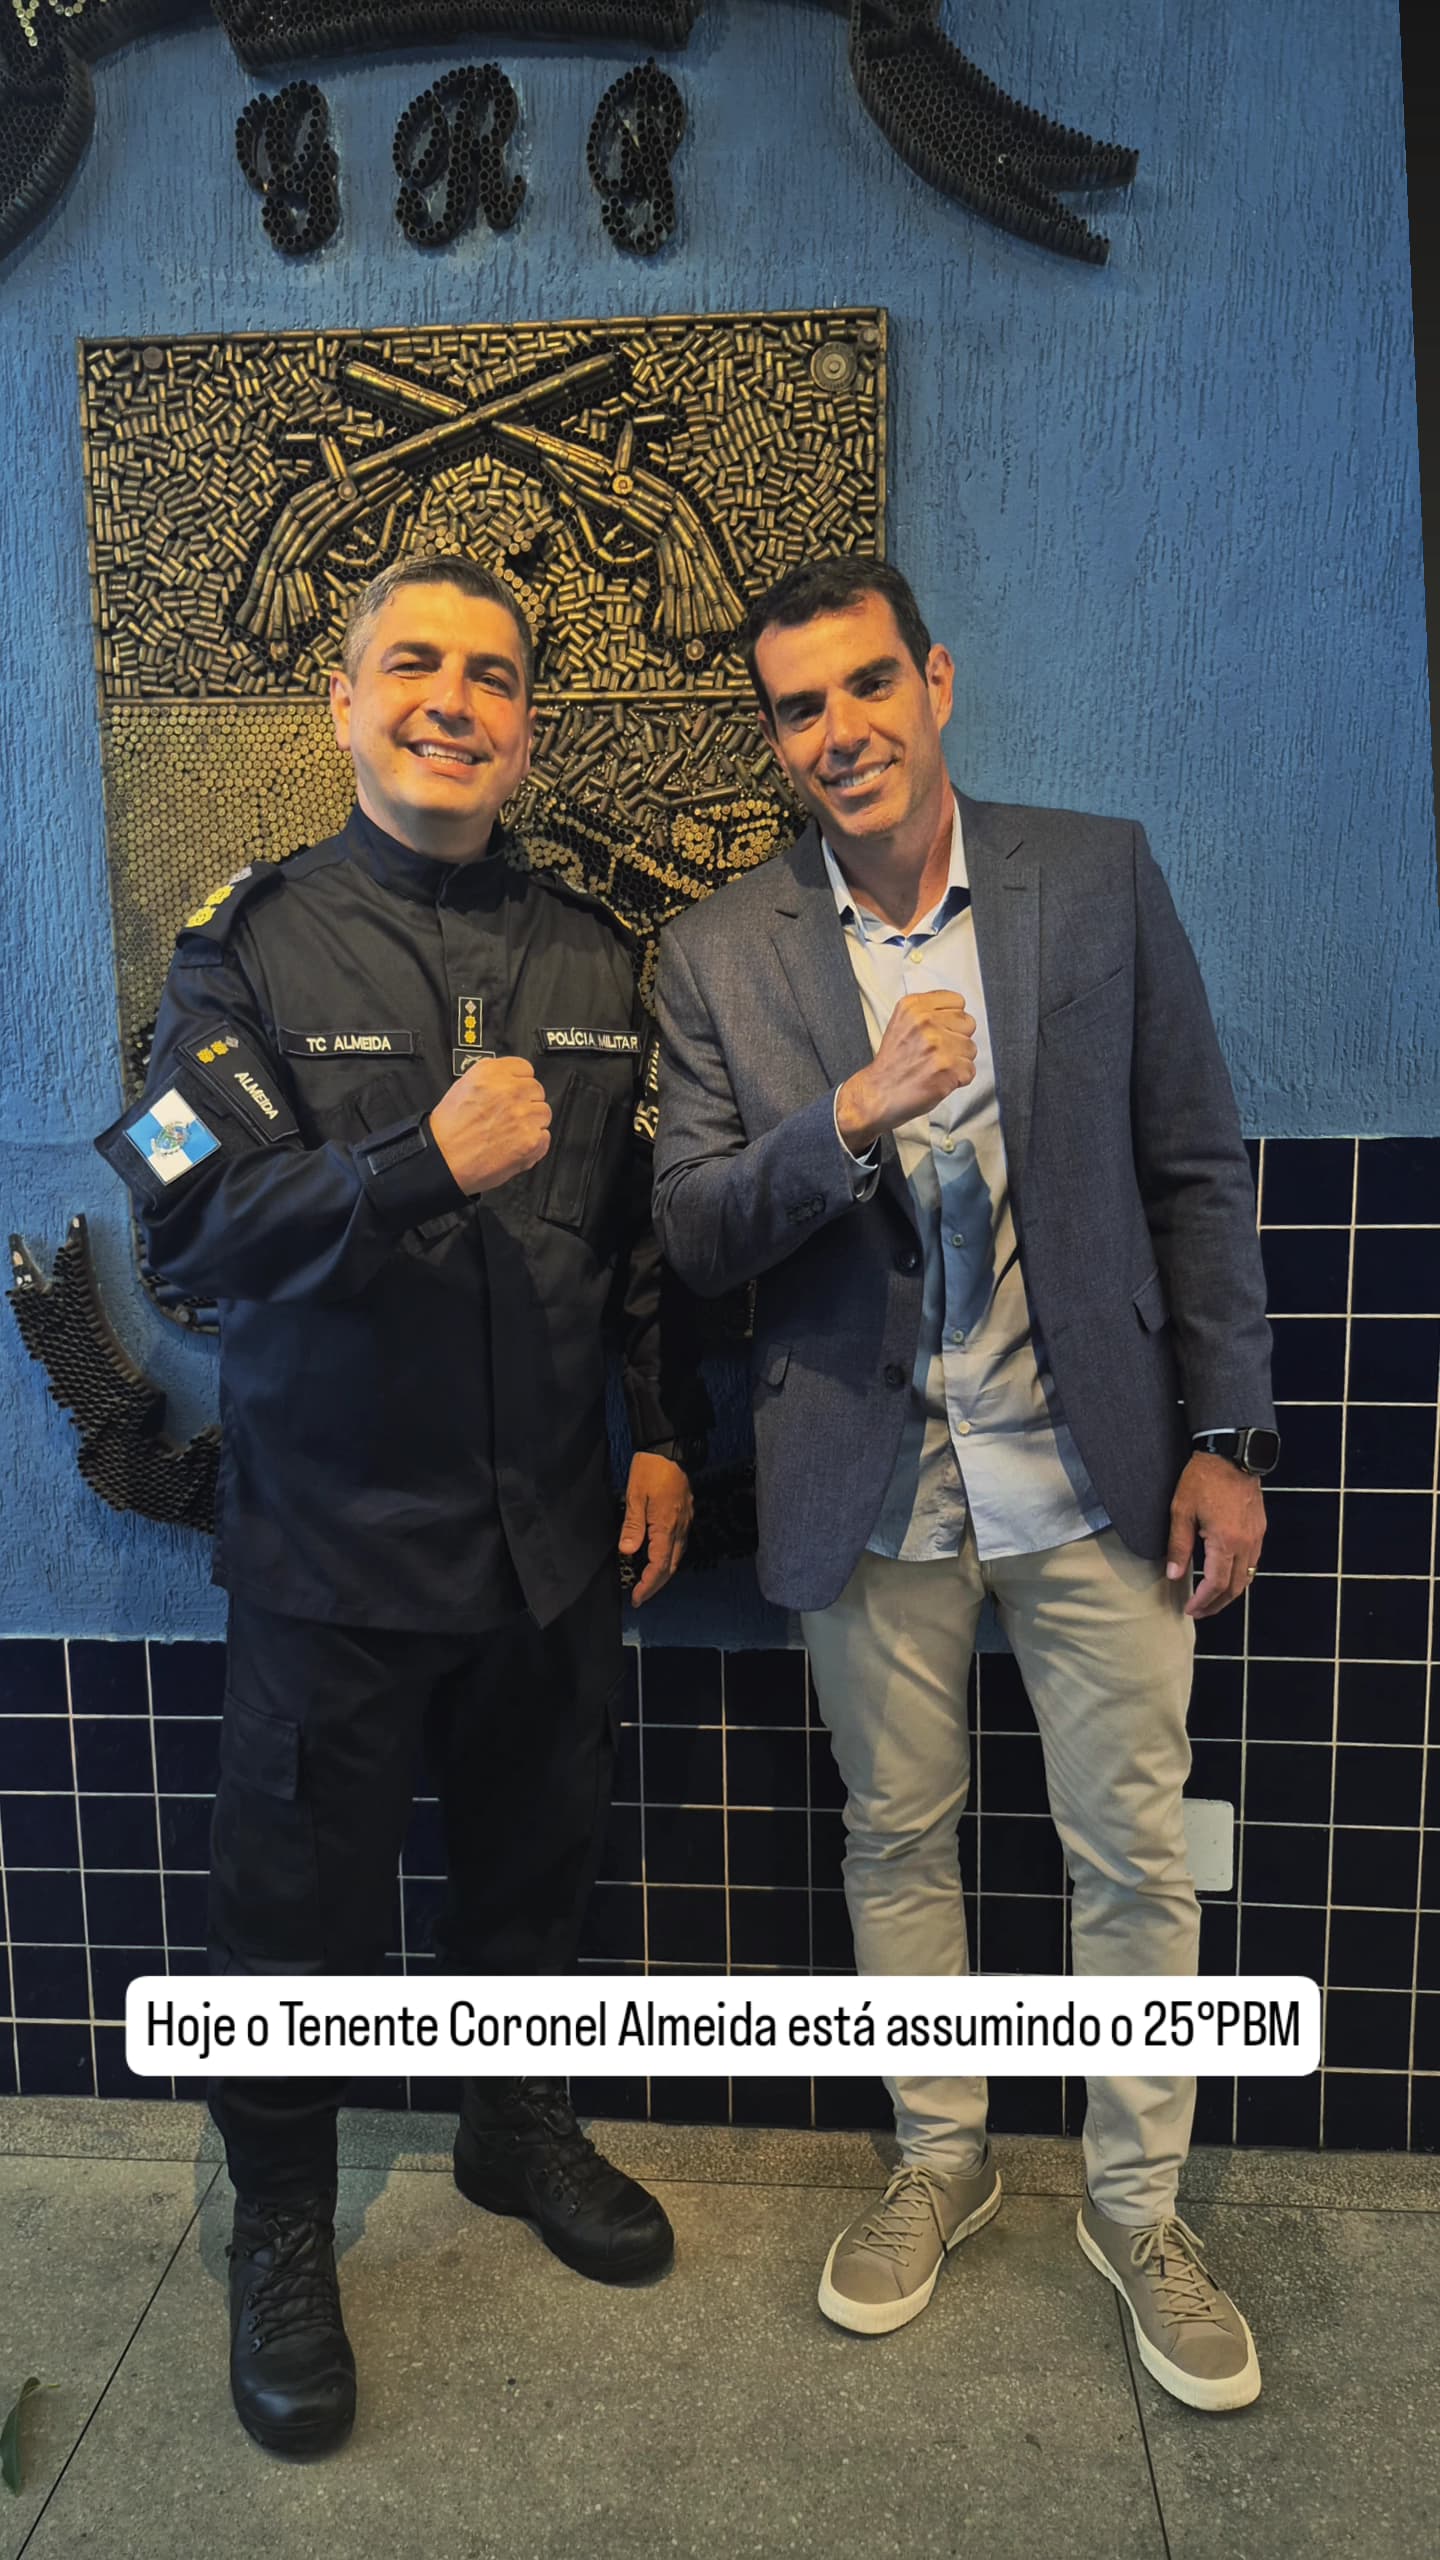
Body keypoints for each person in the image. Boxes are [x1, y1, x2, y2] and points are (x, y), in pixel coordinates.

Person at [652, 557, 1277, 2411]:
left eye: (867, 686)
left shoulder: (1093, 877)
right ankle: (941, 2157)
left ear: (933, 682)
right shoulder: (722, 951)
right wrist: (844, 1119)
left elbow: (1195, 1167)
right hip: (871, 1481)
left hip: (1097, 1469)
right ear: (776, 739)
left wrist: (1231, 1439)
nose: (839, 732)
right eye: (798, 708)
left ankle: (1138, 2206)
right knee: (895, 1838)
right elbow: (694, 1228)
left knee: (1134, 1853)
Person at [97, 555, 695, 2460]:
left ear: (528, 725)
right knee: (296, 1920)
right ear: (344, 704)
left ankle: (514, 2128)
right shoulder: (240, 951)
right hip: (337, 1548)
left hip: (552, 1540)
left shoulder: (598, 954)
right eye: (413, 664)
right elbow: (186, 1222)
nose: (455, 698)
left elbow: (633, 1243)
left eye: (493, 674)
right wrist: (414, 1167)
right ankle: (281, 2220)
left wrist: (659, 1434)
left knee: (536, 1869)